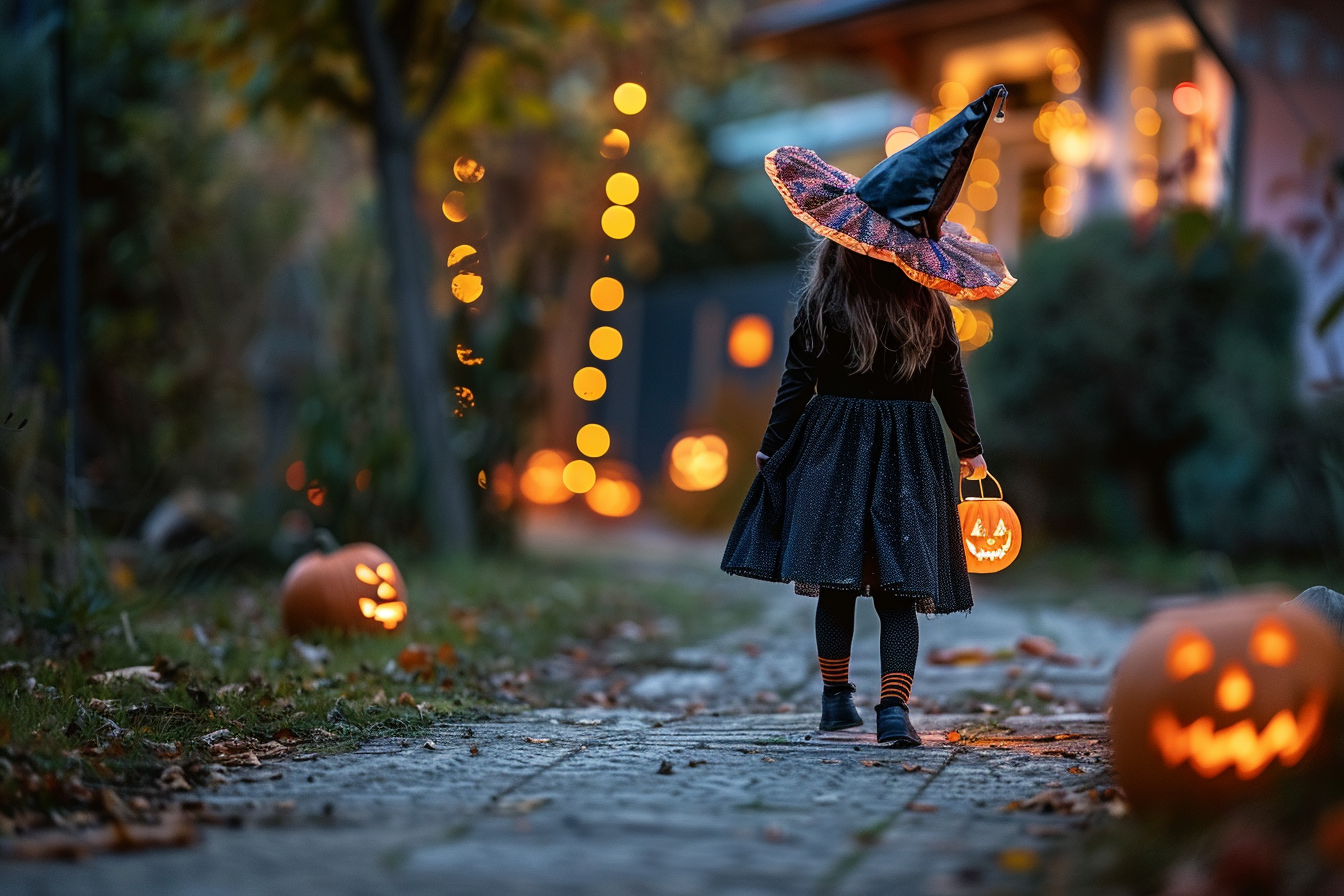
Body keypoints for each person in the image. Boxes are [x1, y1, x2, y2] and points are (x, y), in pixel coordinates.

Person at [721, 85, 1015, 747]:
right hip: (910, 448)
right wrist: (971, 449)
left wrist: (773, 448)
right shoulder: (930, 309)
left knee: (835, 583)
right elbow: (951, 383)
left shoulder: (823, 301)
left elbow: (796, 381)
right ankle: (893, 711)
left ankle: (834, 699)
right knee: (898, 590)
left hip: (832, 444)